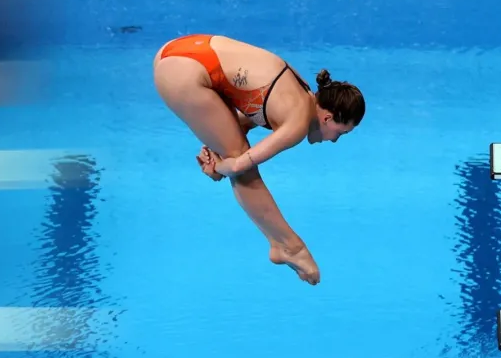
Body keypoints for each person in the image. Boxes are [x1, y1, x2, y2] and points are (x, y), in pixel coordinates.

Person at [152, 34, 365, 285]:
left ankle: (283, 244)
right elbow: (240, 164)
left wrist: (215, 154)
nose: (334, 141)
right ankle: (289, 247)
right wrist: (219, 166)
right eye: (340, 133)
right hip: (183, 73)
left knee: (233, 147)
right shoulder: (297, 123)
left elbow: (240, 121)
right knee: (241, 162)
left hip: (179, 53)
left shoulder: (301, 94)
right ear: (328, 118)